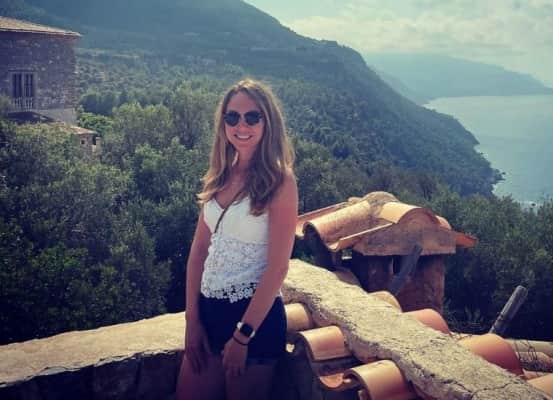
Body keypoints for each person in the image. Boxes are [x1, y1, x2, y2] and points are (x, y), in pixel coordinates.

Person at [176, 78, 298, 400]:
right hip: (208, 314)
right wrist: (192, 320)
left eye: (251, 117)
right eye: (232, 117)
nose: (241, 126)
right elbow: (199, 251)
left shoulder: (280, 181)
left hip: (253, 322)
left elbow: (278, 268)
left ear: (267, 122)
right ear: (223, 123)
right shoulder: (219, 175)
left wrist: (243, 337)